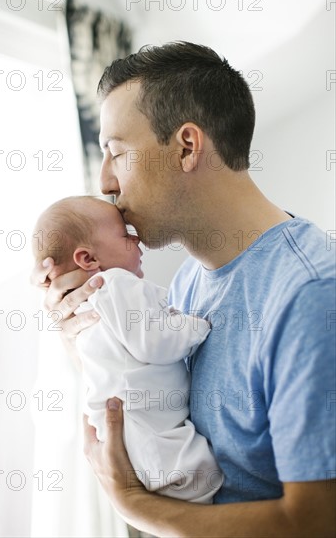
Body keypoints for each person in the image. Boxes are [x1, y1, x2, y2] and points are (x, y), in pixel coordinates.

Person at [32, 42, 336, 536]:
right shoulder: (189, 285)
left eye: (116, 152)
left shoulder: (311, 296)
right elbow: (140, 399)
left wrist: (132, 505)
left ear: (187, 146)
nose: (106, 181)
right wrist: (82, 332)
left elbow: (316, 522)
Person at [32, 195, 222, 502]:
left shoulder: (84, 308)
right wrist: (196, 326)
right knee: (201, 485)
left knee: (188, 494)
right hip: (148, 433)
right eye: (125, 234)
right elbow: (153, 342)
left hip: (134, 437)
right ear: (88, 259)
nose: (136, 238)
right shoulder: (114, 283)